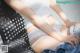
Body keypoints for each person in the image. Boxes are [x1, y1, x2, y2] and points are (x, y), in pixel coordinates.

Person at [2, 0, 78, 53]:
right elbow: (34, 18)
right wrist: (62, 38)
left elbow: (52, 3)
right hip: (38, 34)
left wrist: (67, 21)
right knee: (67, 49)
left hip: (58, 26)